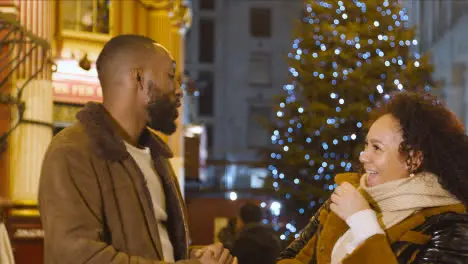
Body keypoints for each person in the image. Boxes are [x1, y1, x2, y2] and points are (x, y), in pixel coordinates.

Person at [39, 34, 235, 264]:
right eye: (170, 77)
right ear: (139, 78)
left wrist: (199, 256)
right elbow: (78, 257)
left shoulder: (156, 156)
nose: (179, 90)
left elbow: (156, 249)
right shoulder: (72, 151)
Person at [277, 92, 468, 264]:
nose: (363, 156)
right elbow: (290, 258)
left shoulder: (449, 226)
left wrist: (362, 223)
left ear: (414, 158)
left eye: (377, 148)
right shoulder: (346, 196)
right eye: (366, 145)